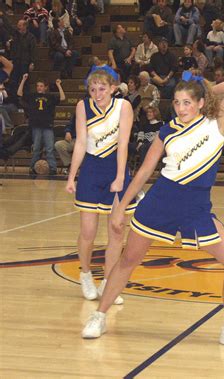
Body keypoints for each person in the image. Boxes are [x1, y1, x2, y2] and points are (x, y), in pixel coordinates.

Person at [81, 73, 224, 351]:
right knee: (128, 259)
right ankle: (99, 315)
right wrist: (120, 208)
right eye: (176, 103)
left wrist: (204, 87)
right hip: (161, 201)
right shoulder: (167, 131)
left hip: (196, 208)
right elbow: (145, 171)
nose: (181, 108)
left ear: (200, 103)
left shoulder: (216, 124)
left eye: (187, 102)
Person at [66, 69, 137, 305]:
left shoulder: (123, 107)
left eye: (102, 88)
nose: (97, 93)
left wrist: (119, 177)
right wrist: (71, 176)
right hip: (91, 171)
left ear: (113, 88)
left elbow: (124, 144)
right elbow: (81, 143)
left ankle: (109, 282)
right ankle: (85, 274)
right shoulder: (82, 107)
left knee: (116, 231)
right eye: (93, 89)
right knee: (88, 231)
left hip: (115, 170)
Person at [17, 74, 66, 175]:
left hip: (47, 126)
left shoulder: (50, 97)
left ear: (46, 87)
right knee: (36, 148)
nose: (39, 87)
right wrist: (23, 80)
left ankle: (53, 168)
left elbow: (62, 97)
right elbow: (19, 93)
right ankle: (33, 167)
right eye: (38, 86)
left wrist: (58, 85)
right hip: (36, 126)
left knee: (49, 148)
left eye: (41, 86)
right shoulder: (32, 96)